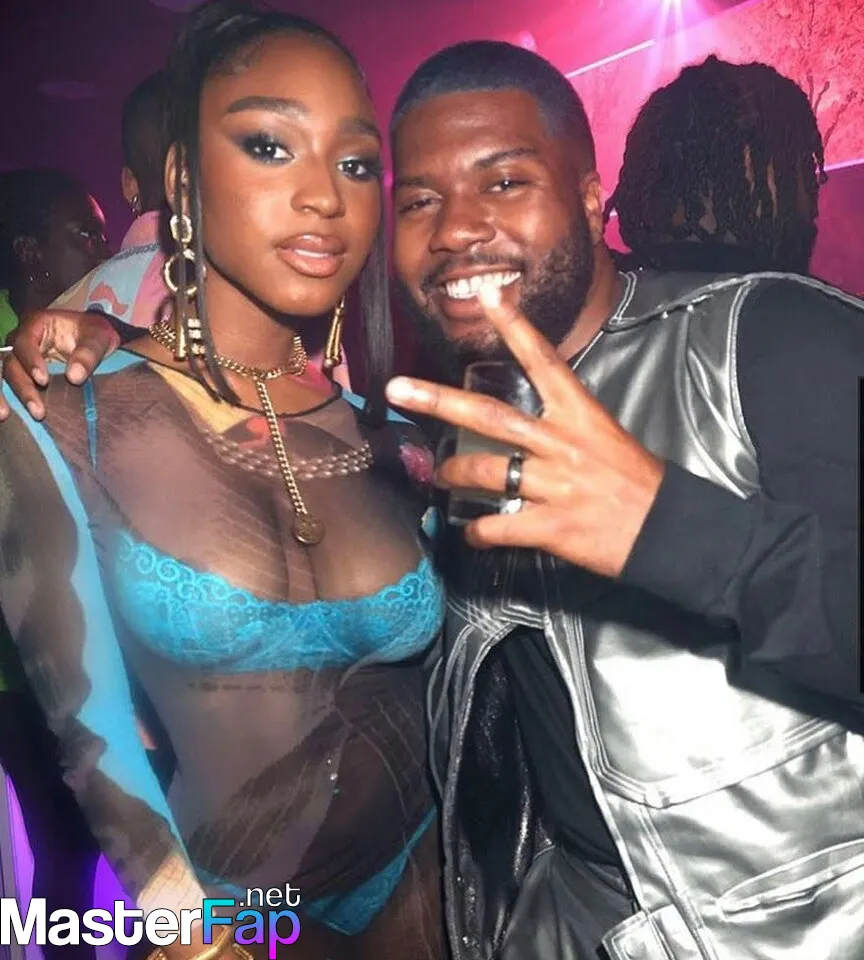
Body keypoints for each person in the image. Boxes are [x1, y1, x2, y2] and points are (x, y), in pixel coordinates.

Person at [7, 37, 863, 960]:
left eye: (505, 181)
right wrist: (116, 342)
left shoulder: (764, 341)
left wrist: (670, 530)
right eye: (419, 199)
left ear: (589, 195)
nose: (456, 229)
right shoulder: (440, 434)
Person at [0, 4, 445, 960]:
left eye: (355, 163)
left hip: (431, 886)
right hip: (231, 914)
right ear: (181, 181)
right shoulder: (58, 412)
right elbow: (86, 727)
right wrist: (186, 928)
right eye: (269, 146)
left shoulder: (401, 442)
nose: (324, 196)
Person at [0, 168, 108, 960]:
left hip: (76, 650)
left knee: (81, 854)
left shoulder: (88, 336)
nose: (101, 246)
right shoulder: (13, 350)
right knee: (69, 849)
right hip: (23, 669)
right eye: (84, 232)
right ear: (31, 253)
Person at [604, 55, 827, 275]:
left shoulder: (615, 290)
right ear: (749, 165)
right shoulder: (793, 297)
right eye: (801, 162)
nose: (812, 191)